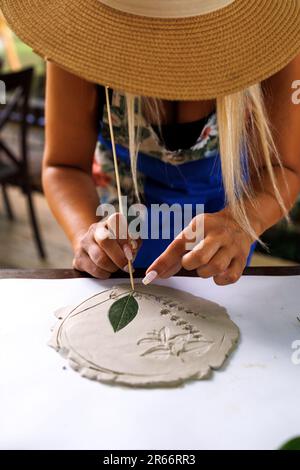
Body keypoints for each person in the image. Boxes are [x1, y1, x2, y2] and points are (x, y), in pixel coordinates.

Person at [2, 0, 300, 285]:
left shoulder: (272, 45)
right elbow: (63, 166)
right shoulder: (78, 44)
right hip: (120, 259)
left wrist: (240, 223)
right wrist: (85, 235)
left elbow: (283, 168)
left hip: (220, 260)